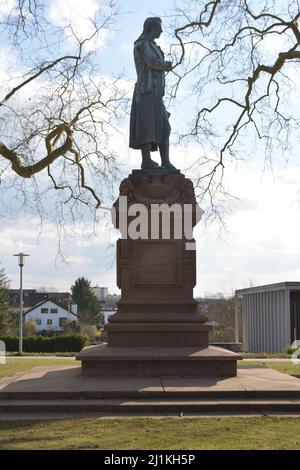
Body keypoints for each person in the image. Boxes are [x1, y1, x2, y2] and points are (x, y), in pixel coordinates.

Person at [129, 17, 177, 170]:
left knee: (165, 127)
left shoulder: (152, 45)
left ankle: (166, 162)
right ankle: (146, 161)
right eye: (159, 28)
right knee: (147, 126)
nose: (161, 31)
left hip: (156, 93)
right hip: (146, 90)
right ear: (151, 28)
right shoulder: (142, 44)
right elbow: (151, 62)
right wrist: (166, 66)